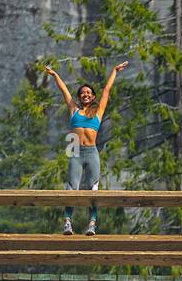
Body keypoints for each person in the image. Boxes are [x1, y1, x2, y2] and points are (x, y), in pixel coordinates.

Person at [44, 61, 128, 234]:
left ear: (93, 97)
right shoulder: (74, 109)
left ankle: (92, 223)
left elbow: (106, 90)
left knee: (93, 189)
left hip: (91, 151)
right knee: (71, 187)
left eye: (89, 93)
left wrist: (114, 71)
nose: (85, 95)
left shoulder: (98, 111)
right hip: (74, 148)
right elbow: (64, 91)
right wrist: (54, 75)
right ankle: (67, 222)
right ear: (79, 97)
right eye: (82, 93)